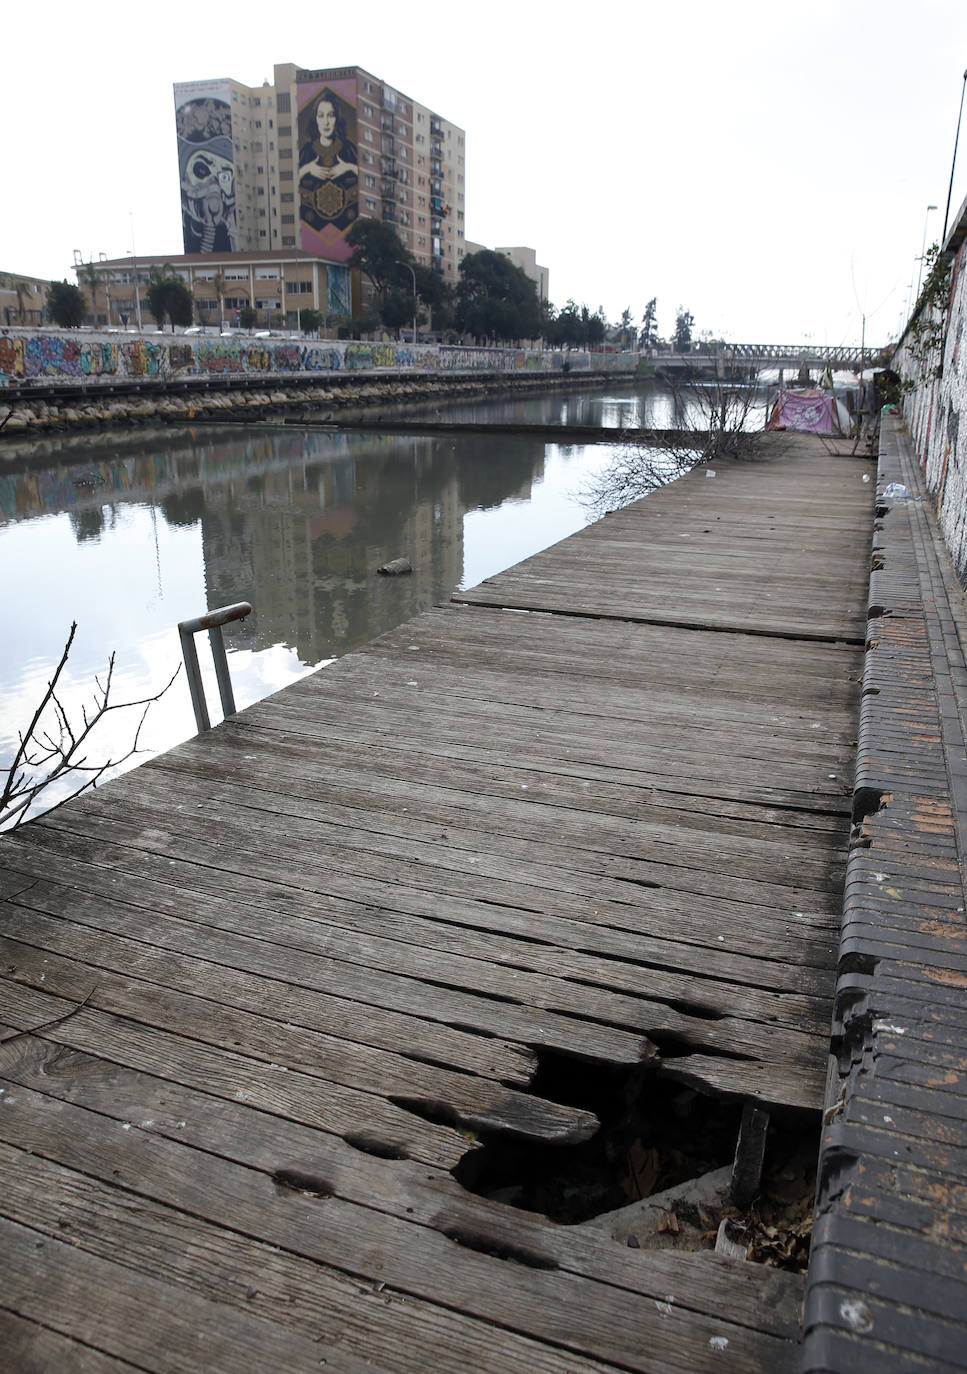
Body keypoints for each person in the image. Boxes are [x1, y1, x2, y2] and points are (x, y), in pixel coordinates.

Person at [298, 90, 359, 235]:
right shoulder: (307, 151)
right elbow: (292, 183)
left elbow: (366, 178)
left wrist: (348, 167)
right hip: (314, 226)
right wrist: (308, 169)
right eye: (321, 116)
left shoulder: (348, 149)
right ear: (315, 119)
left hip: (344, 224)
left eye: (330, 115)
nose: (326, 122)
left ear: (337, 118)